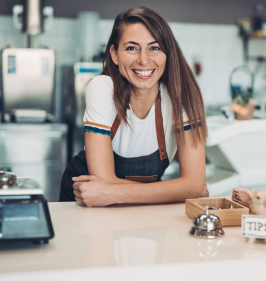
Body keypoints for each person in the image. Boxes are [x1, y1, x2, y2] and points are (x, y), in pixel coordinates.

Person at [59, 6, 208, 206]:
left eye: (154, 48)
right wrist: (177, 190)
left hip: (136, 206)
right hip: (82, 203)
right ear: (114, 54)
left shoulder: (182, 95)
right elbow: (103, 182)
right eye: (131, 48)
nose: (143, 60)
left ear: (167, 54)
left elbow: (194, 186)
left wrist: (111, 192)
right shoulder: (101, 87)